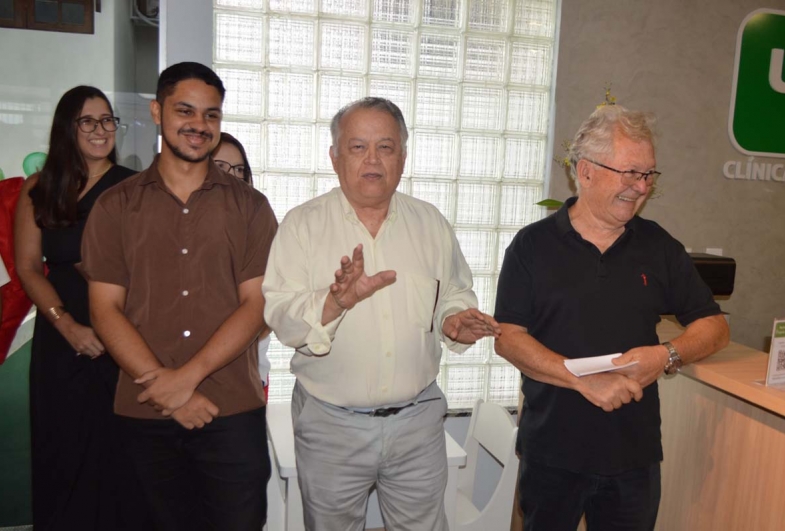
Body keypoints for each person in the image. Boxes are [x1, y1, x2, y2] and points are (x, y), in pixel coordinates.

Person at [263, 97, 501, 531]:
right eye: (357, 147)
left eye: (386, 147)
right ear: (334, 158)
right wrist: (336, 301)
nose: (372, 159)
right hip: (331, 423)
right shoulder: (302, 226)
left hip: (418, 422)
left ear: (403, 158)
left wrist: (455, 320)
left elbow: (452, 292)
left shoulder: (431, 223)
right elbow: (280, 317)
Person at [494, 105, 730, 531]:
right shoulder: (532, 247)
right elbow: (508, 338)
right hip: (552, 453)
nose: (640, 188)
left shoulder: (659, 247)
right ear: (585, 171)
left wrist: (667, 355)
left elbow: (715, 327)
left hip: (633, 457)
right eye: (630, 173)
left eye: (648, 175)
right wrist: (582, 380)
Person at [80, 62, 276, 531]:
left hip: (232, 411)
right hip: (144, 411)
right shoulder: (115, 206)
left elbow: (259, 306)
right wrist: (165, 389)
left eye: (212, 115)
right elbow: (104, 309)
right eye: (185, 111)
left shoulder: (251, 207)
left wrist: (186, 378)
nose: (199, 125)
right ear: (156, 111)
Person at [14, 86, 144, 530]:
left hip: (120, 333)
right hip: (59, 334)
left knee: (116, 455)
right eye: (88, 121)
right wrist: (66, 325)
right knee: (60, 451)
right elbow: (29, 268)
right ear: (67, 128)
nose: (100, 130)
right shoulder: (39, 187)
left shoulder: (132, 186)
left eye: (107, 120)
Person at [212, 132, 272, 394]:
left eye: (239, 169)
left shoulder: (259, 223)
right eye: (220, 167)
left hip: (248, 374)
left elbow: (273, 307)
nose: (232, 176)